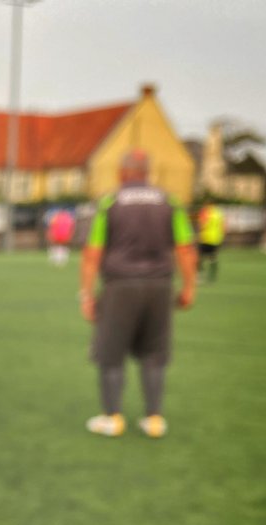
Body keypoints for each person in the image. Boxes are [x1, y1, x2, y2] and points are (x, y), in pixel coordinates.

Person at [78, 149, 197, 438]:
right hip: (160, 286)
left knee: (111, 353)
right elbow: (185, 249)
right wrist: (189, 287)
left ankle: (112, 417)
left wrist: (87, 294)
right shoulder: (170, 202)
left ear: (123, 172)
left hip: (120, 286)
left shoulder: (110, 203)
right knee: (155, 354)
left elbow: (93, 253)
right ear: (147, 173)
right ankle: (154, 419)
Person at [197, 201, 225, 282]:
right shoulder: (218, 213)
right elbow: (223, 226)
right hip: (215, 239)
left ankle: (200, 275)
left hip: (205, 238)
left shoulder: (205, 212)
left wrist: (199, 233)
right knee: (213, 258)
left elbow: (202, 224)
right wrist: (221, 236)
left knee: (200, 257)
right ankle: (212, 276)